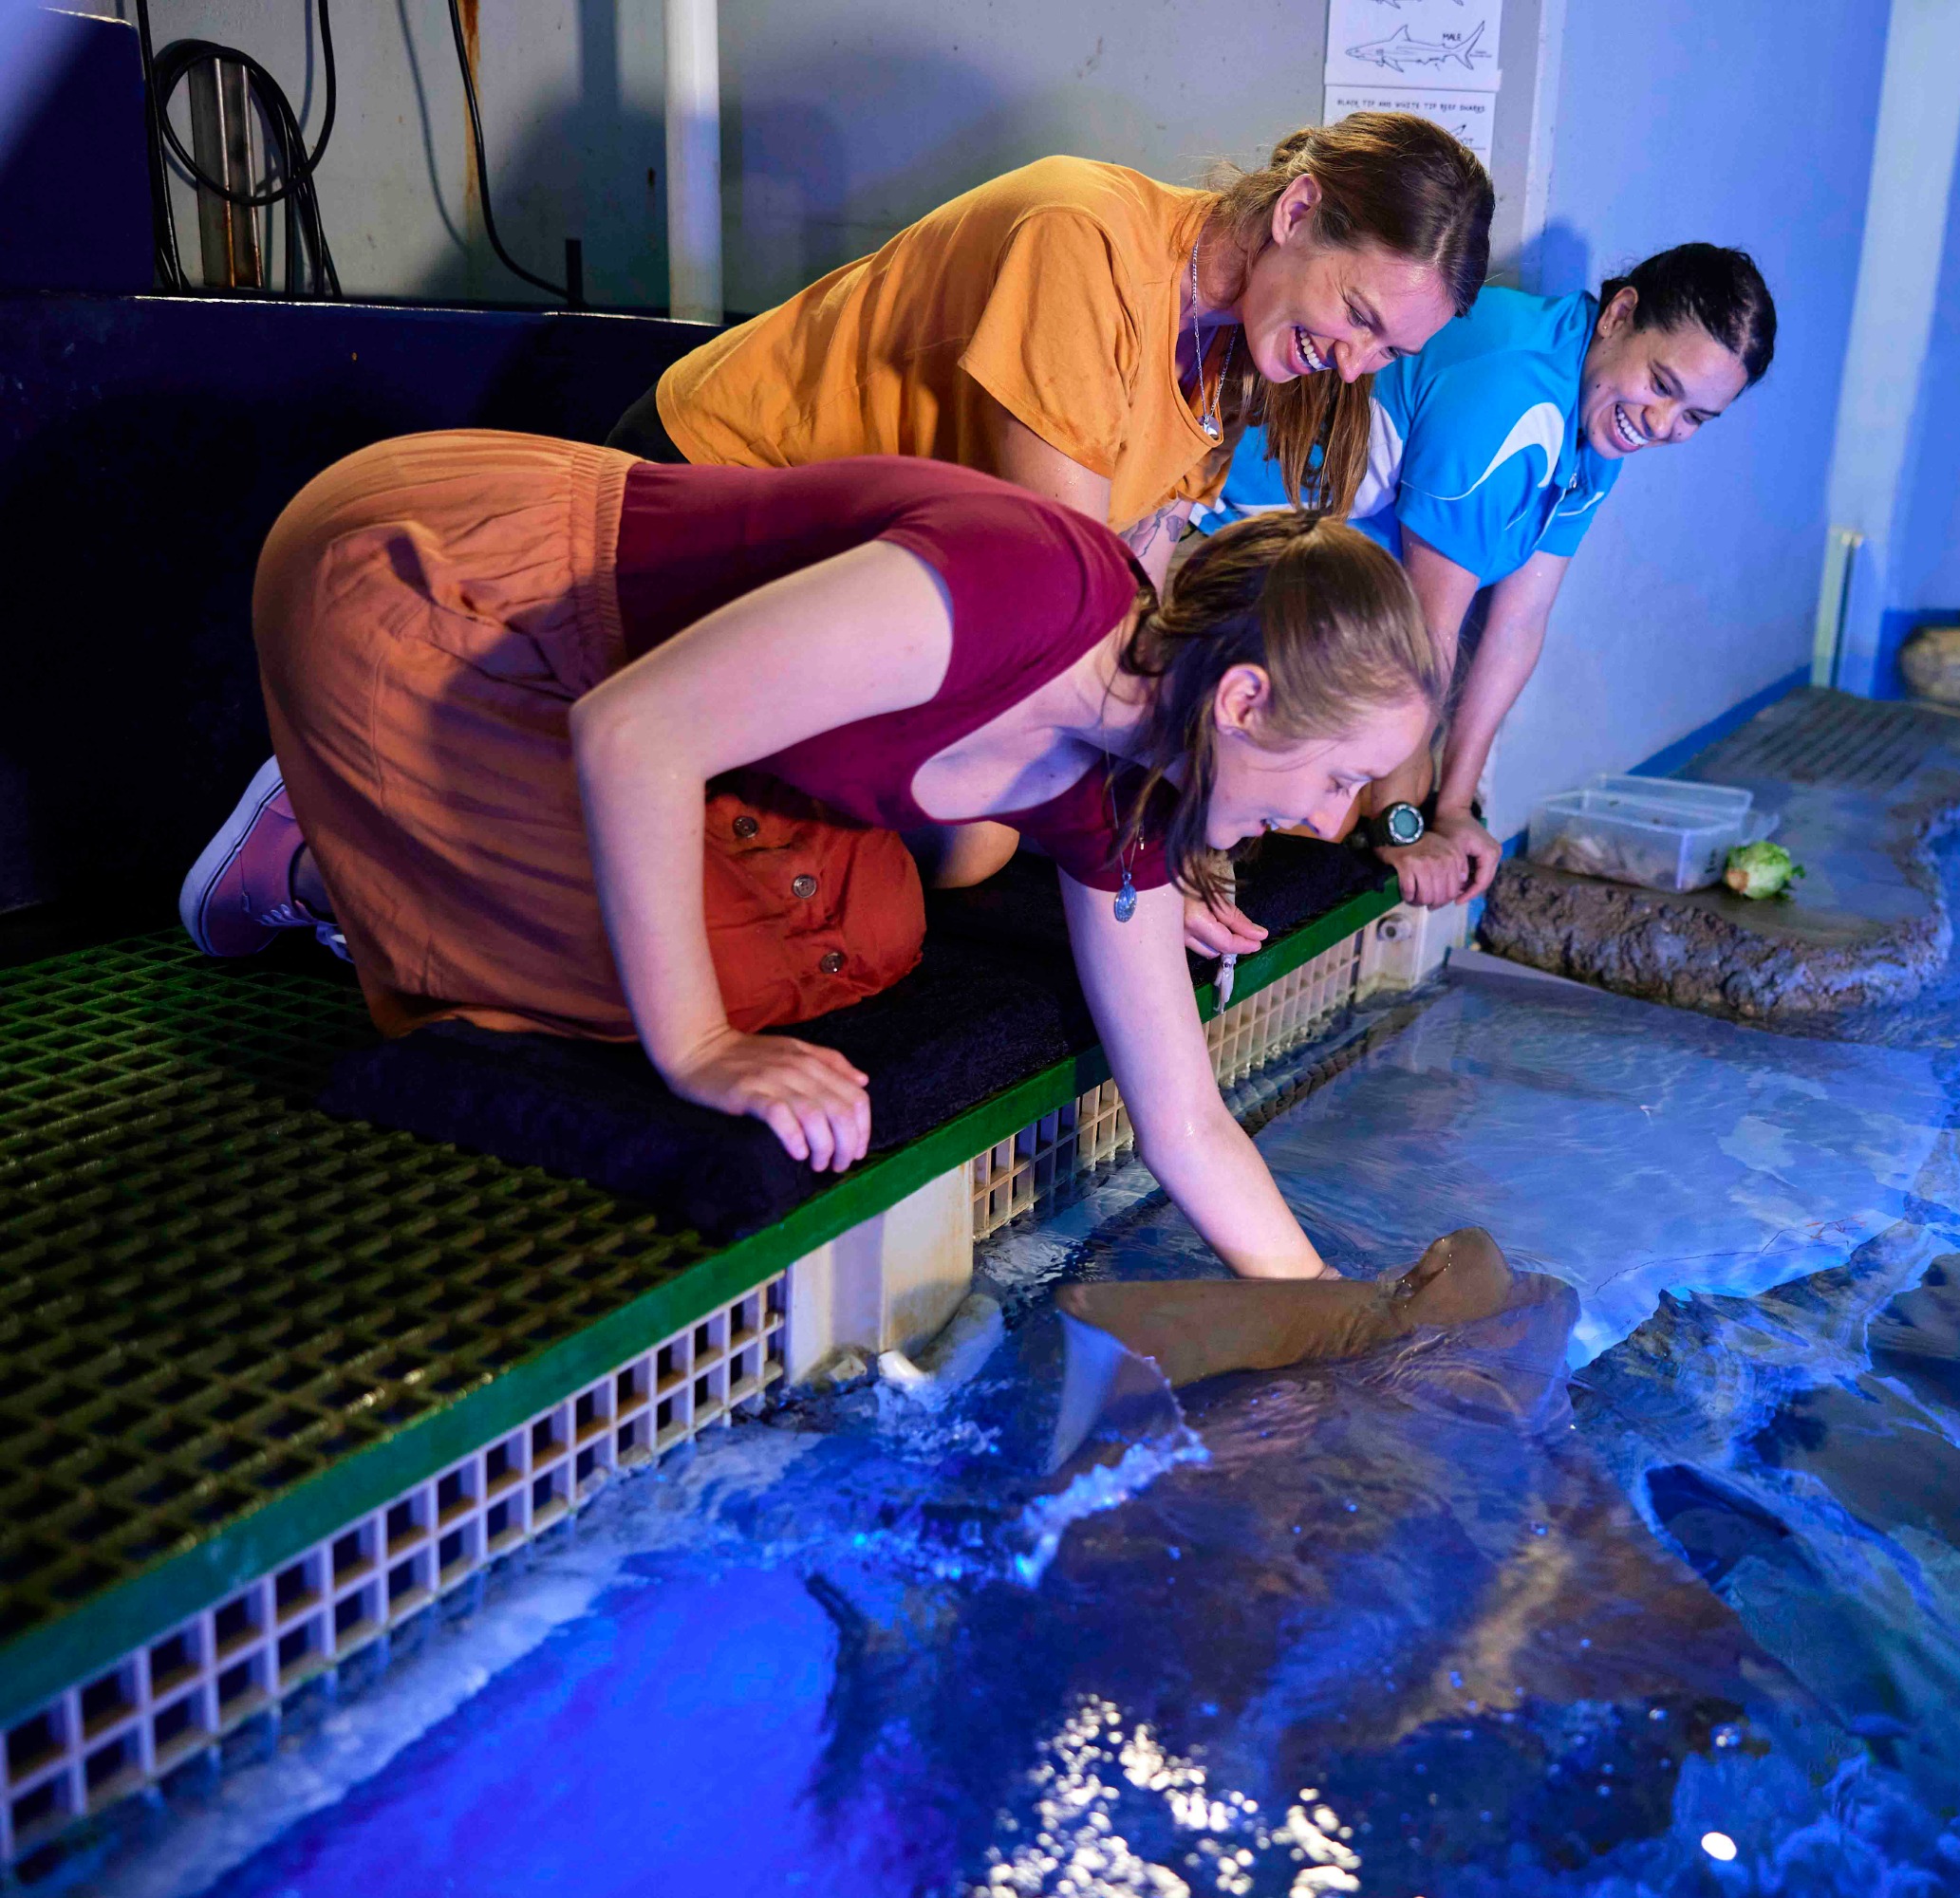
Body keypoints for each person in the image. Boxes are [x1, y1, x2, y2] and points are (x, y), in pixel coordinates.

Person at [179, 431, 1443, 1277]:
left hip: (639, 688)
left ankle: (419, 831)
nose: (1334, 824)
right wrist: (699, 1051)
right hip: (443, 581)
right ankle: (321, 848)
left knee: (868, 941)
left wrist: (1317, 1319)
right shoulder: (1026, 592)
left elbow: (1185, 1121)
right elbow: (633, 729)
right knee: (706, 991)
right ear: (1240, 704)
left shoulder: (1123, 790)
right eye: (1336, 778)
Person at [608, 115, 1492, 946]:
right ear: (1297, 212)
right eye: (1359, 318)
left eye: (1387, 354)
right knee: (972, 844)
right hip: (711, 490)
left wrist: (1180, 809)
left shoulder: (1229, 353)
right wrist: (1154, 842)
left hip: (881, 570)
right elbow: (1076, 616)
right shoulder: (1082, 238)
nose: (1352, 365)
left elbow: (1139, 596)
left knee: (987, 834)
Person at [1199, 243, 1776, 909]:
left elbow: (1519, 624)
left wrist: (1453, 808)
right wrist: (1401, 820)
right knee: (1320, 830)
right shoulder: (1515, 393)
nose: (1661, 425)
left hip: (1321, 576)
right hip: (1224, 547)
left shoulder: (1600, 410)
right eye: (1664, 386)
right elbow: (1426, 631)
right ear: (1620, 313)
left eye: (1695, 417)